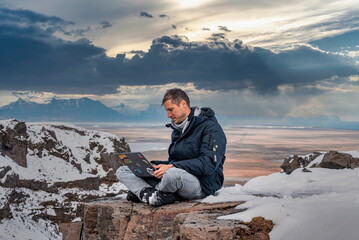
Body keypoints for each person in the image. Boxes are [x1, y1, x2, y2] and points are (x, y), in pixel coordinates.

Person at [116, 88, 226, 207]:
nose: (168, 115)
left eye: (171, 109)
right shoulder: (178, 129)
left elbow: (208, 164)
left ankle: (147, 193)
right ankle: (148, 194)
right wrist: (154, 165)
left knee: (172, 175)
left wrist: (171, 166)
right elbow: (175, 160)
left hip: (202, 184)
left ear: (183, 104)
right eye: (167, 111)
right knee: (123, 170)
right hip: (179, 176)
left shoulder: (211, 129)